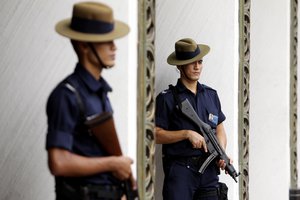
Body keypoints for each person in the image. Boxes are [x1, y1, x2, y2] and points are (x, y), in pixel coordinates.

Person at [46, 2, 135, 200]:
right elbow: (58, 162)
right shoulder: (66, 95)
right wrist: (113, 163)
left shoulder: (100, 91)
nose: (114, 47)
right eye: (106, 40)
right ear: (84, 45)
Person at [155, 38, 230, 200]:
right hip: (181, 170)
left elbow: (220, 130)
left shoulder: (211, 95)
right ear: (179, 66)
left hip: (209, 171)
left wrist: (221, 152)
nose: (197, 67)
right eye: (192, 63)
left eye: (200, 61)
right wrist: (186, 134)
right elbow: (154, 134)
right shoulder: (167, 98)